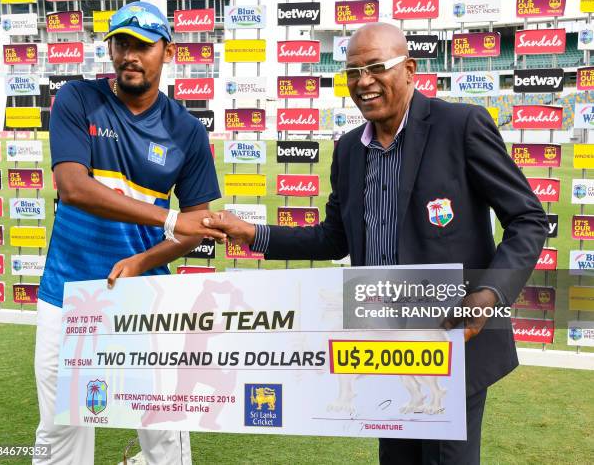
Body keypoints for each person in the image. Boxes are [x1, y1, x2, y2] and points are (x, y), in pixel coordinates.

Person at [204, 23, 548, 464]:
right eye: (351, 71)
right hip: (383, 348)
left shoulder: (460, 126)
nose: (363, 81)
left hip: (452, 342)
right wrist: (254, 234)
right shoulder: (349, 150)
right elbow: (333, 239)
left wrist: (489, 294)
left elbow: (527, 218)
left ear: (409, 69)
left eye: (375, 67)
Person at [34, 1, 225, 465]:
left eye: (143, 45)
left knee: (164, 436)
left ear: (168, 51)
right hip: (68, 292)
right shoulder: (78, 98)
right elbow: (74, 188)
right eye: (121, 43)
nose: (129, 55)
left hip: (145, 299)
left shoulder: (187, 131)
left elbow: (195, 226)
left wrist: (140, 262)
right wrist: (167, 219)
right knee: (62, 431)